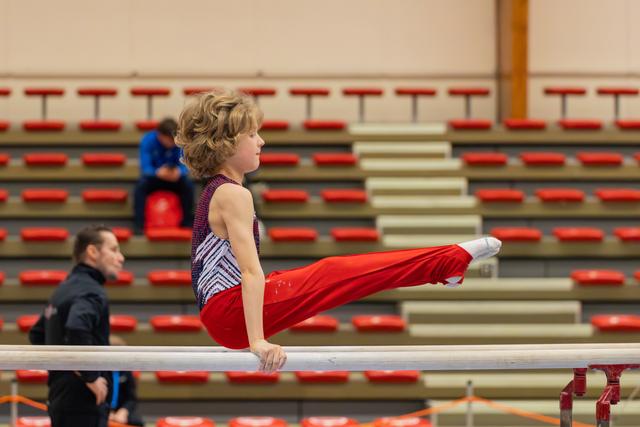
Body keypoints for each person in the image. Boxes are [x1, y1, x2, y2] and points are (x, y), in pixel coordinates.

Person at [176, 91, 502, 373]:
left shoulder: (219, 191)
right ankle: (444, 263)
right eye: (252, 135)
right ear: (227, 144)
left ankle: (444, 264)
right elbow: (249, 271)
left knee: (333, 273)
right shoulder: (233, 194)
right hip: (230, 313)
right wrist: (257, 341)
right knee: (336, 273)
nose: (261, 141)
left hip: (223, 313)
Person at [29, 225, 125, 427]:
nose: (121, 257)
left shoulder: (63, 290)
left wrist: (63, 372)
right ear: (92, 252)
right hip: (84, 403)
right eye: (114, 250)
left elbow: (37, 334)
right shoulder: (91, 290)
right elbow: (76, 328)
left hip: (59, 398)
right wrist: (90, 377)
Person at [133, 117, 194, 233]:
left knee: (188, 186)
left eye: (174, 140)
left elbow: (187, 165)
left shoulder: (180, 141)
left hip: (174, 178)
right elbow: (145, 167)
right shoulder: (148, 140)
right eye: (169, 140)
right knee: (140, 186)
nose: (172, 143)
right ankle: (139, 225)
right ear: (160, 135)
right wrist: (157, 172)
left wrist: (179, 172)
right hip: (155, 178)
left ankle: (186, 223)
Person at [108, 336, 144, 427]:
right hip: (102, 410)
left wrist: (123, 411)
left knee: (138, 422)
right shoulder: (98, 373)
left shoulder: (126, 372)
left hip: (120, 410)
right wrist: (107, 412)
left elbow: (131, 398)